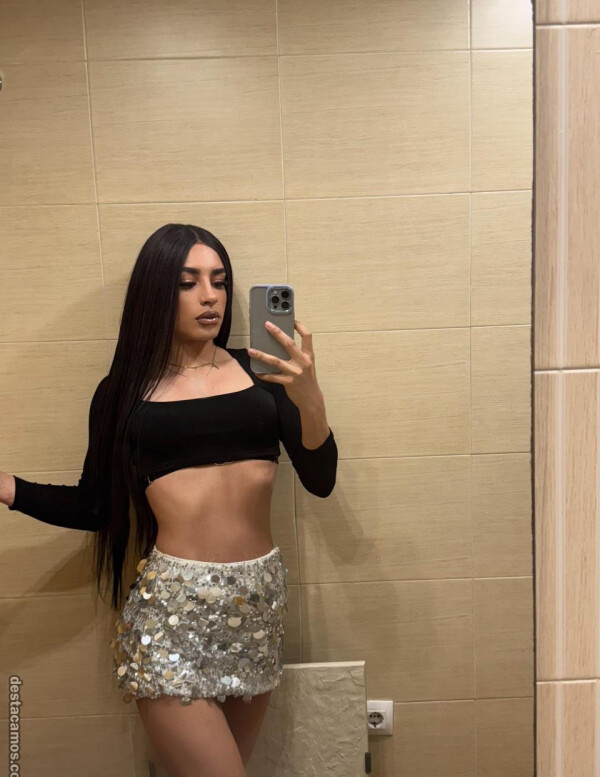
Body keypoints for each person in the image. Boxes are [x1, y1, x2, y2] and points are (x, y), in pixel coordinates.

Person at [0, 224, 337, 777]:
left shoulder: (264, 374)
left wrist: (310, 396)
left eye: (219, 281)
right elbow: (95, 507)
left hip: (257, 612)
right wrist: (8, 486)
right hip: (173, 618)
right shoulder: (123, 391)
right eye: (188, 282)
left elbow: (320, 478)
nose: (210, 297)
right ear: (157, 291)